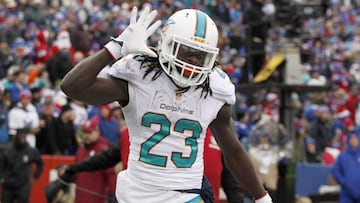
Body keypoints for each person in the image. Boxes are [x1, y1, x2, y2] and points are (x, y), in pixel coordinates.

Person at [60, 6, 272, 203]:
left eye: (201, 56)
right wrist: (116, 47)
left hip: (186, 195)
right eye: (186, 52)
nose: (193, 63)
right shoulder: (140, 75)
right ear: (167, 44)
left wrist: (262, 197)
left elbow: (233, 151)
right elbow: (73, 87)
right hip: (136, 194)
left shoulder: (214, 88)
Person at [72, 119, 117, 203]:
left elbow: (111, 175)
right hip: (80, 198)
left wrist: (112, 194)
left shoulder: (103, 150)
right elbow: (75, 173)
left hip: (96, 198)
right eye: (84, 132)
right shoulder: (80, 150)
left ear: (97, 132)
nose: (86, 136)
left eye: (89, 132)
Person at [0, 128, 44, 203]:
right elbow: (2, 164)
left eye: (24, 135)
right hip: (8, 184)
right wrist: (2, 178)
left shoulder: (30, 150)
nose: (22, 137)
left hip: (23, 185)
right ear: (17, 136)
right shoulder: (8, 149)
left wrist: (35, 177)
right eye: (21, 135)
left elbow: (40, 163)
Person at [332, 131, 360, 203]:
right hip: (347, 193)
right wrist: (344, 182)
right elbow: (335, 171)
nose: (354, 141)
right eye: (352, 139)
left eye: (356, 138)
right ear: (348, 140)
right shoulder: (343, 156)